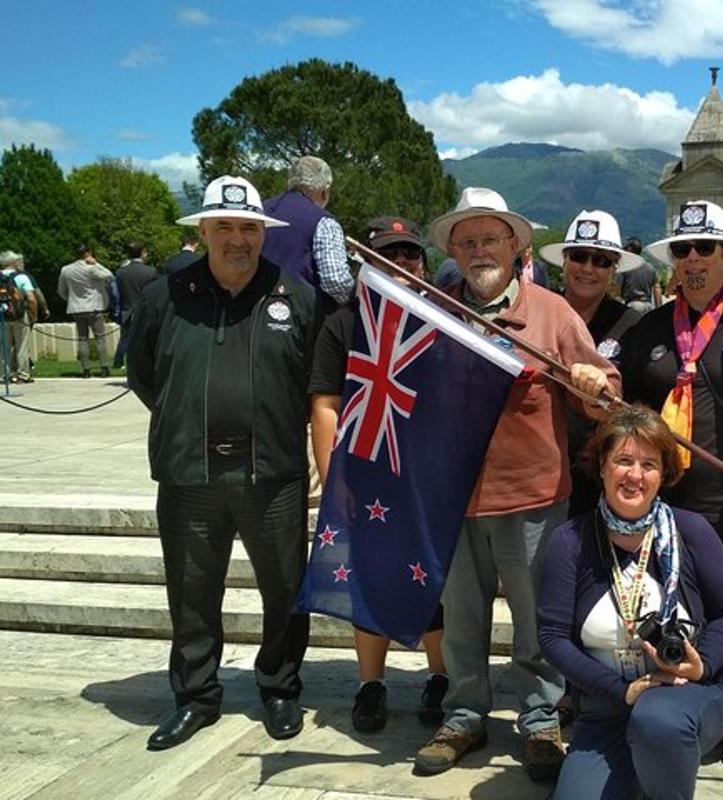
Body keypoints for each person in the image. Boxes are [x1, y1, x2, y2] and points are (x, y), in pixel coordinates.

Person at [414, 187, 621, 781]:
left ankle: (538, 718)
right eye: (468, 240)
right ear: (453, 248)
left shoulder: (552, 312)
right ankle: (463, 714)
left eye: (491, 239)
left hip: (533, 497)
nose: (480, 250)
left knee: (535, 618)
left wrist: (589, 379)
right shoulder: (434, 309)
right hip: (454, 498)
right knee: (462, 615)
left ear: (516, 245)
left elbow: (606, 389)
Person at [127, 175, 319, 751]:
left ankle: (280, 688)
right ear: (203, 231)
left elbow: (316, 384)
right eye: (225, 227)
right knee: (191, 592)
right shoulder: (164, 296)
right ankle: (196, 698)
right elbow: (144, 376)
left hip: (273, 477)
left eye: (249, 228)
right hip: (189, 474)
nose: (238, 239)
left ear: (263, 233)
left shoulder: (296, 295)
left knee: (284, 588)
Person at [614, 200, 723, 766]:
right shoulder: (650, 327)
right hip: (667, 497)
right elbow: (630, 406)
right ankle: (692, 704)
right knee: (676, 601)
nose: (693, 260)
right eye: (683, 250)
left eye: (705, 248)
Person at [538, 405, 723, 800]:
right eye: (623, 461)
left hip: (687, 695)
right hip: (608, 706)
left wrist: (703, 665)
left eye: (649, 464)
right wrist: (621, 691)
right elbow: (552, 636)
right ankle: (644, 767)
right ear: (601, 466)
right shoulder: (571, 541)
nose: (635, 475)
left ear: (663, 474)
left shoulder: (692, 531)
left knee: (657, 721)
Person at [309, 216, 449, 732]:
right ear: (365, 263)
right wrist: (334, 478)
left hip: (429, 477)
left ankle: (441, 677)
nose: (401, 264)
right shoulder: (342, 323)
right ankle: (371, 684)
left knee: (432, 576)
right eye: (388, 254)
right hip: (366, 473)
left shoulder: (443, 319)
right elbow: (325, 402)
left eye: (410, 254)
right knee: (369, 577)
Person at [540, 209, 644, 516]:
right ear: (565, 260)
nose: (588, 268)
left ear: (615, 269)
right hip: (543, 469)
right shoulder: (540, 311)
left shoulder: (634, 325)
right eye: (579, 256)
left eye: (601, 260)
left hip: (605, 475)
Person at [262, 155, 354, 313]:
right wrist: (357, 302)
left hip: (253, 313)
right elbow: (335, 281)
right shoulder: (324, 221)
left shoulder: (260, 211)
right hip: (301, 317)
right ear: (325, 191)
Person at [57, 244, 113, 378]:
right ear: (88, 253)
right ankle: (104, 367)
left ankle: (86, 370)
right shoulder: (91, 268)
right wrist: (96, 263)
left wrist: (71, 300)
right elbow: (110, 276)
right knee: (100, 338)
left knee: (82, 339)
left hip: (76, 308)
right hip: (94, 307)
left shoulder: (66, 270)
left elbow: (61, 291)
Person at [112, 241, 159, 370]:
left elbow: (116, 295)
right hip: (145, 310)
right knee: (145, 340)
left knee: (125, 339)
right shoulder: (150, 271)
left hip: (127, 310)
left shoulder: (120, 272)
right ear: (143, 252)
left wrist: (117, 311)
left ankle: (119, 362)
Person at [0, 251, 38, 383]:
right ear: (14, 263)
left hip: (2, 316)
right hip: (20, 316)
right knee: (22, 346)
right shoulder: (21, 277)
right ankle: (22, 375)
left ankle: (6, 374)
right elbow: (31, 298)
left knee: (5, 347)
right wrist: (34, 315)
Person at [617, 236, 661, 314]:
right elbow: (657, 288)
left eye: (626, 249)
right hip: (648, 306)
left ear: (630, 250)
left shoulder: (626, 268)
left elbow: (617, 289)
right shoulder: (650, 267)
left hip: (632, 306)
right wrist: (659, 308)